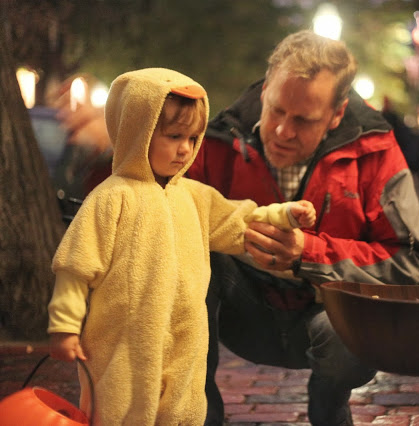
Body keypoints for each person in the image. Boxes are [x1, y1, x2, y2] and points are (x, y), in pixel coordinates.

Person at [187, 30, 419, 425]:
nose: (284, 131)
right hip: (243, 312)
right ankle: (201, 416)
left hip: (329, 319)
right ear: (267, 89)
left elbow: (416, 266)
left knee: (351, 330)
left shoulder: (375, 149)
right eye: (276, 111)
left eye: (303, 120)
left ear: (336, 114)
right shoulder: (217, 139)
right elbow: (147, 208)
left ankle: (329, 403)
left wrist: (309, 253)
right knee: (181, 246)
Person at [47, 67, 316, 425]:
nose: (185, 149)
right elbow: (76, 267)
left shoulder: (193, 196)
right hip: (123, 344)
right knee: (119, 411)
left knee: (184, 411)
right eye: (174, 136)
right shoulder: (111, 199)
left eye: (193, 138)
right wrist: (65, 326)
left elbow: (241, 221)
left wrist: (283, 215)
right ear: (137, 132)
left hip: (185, 340)